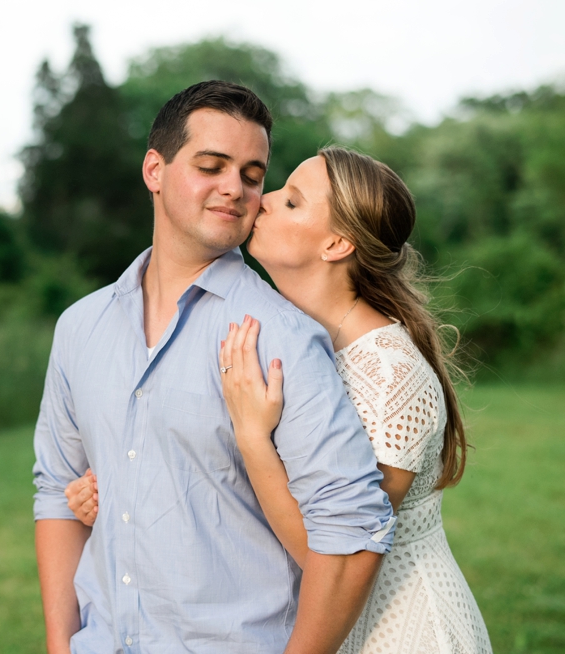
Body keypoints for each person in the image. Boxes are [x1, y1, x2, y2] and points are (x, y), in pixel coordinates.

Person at [67, 146, 493, 652]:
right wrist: (114, 494)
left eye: (291, 201)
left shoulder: (388, 375)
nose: (261, 199)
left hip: (398, 631)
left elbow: (334, 553)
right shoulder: (286, 340)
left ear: (336, 243)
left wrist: (252, 437)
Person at [33, 80, 397, 654]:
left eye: (253, 176)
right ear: (155, 169)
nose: (235, 189)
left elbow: (352, 531)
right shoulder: (80, 327)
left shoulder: (284, 337)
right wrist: (61, 645)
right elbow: (57, 491)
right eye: (211, 165)